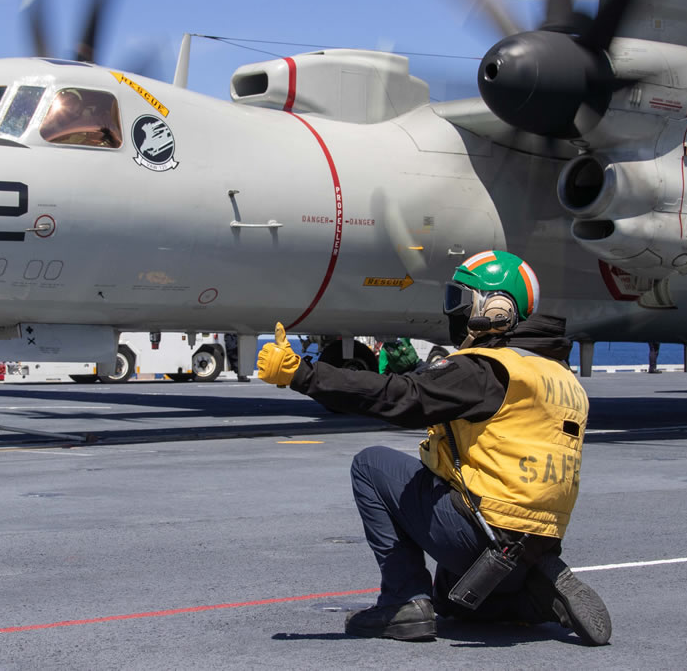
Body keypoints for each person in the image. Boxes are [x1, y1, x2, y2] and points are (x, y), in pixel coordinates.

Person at [256, 250, 611, 645]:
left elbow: (403, 399)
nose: (452, 312)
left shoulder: (485, 368)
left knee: (371, 465)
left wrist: (303, 375)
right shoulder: (557, 375)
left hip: (480, 532)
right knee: (452, 599)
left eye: (458, 300)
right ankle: (536, 596)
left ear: (494, 309)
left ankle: (403, 602)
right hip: (533, 542)